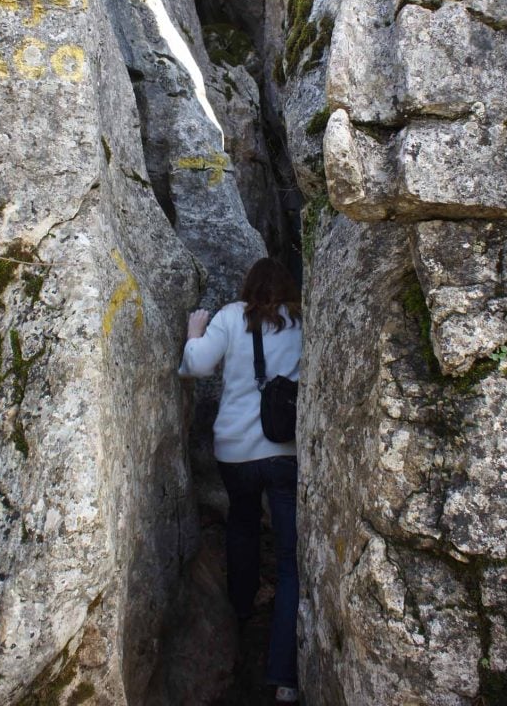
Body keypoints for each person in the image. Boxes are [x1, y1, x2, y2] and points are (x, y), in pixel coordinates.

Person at [179, 257, 302, 704]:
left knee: (243, 526)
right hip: (285, 451)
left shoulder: (232, 316)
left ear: (248, 286)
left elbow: (198, 365)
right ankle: (283, 676)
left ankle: (240, 612)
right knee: (290, 558)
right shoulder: (302, 321)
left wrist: (195, 331)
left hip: (235, 452)